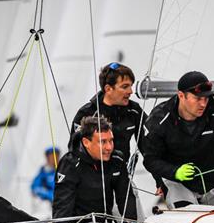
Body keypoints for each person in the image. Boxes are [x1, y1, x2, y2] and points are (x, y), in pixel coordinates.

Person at [143, 71, 214, 208]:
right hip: (179, 184)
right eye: (198, 98)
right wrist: (175, 172)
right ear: (181, 96)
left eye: (206, 98)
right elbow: (150, 160)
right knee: (187, 219)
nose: (203, 104)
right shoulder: (160, 119)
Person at [69, 62, 163, 195]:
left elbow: (148, 147)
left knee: (133, 215)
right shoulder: (87, 113)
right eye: (125, 87)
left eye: (131, 86)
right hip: (92, 184)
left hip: (121, 178)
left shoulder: (134, 111)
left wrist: (160, 181)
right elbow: (74, 152)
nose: (131, 91)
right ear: (108, 89)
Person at [53, 116, 138, 223]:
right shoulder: (71, 164)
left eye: (111, 140)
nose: (109, 147)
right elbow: (62, 208)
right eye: (102, 142)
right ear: (86, 142)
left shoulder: (116, 160)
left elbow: (125, 196)